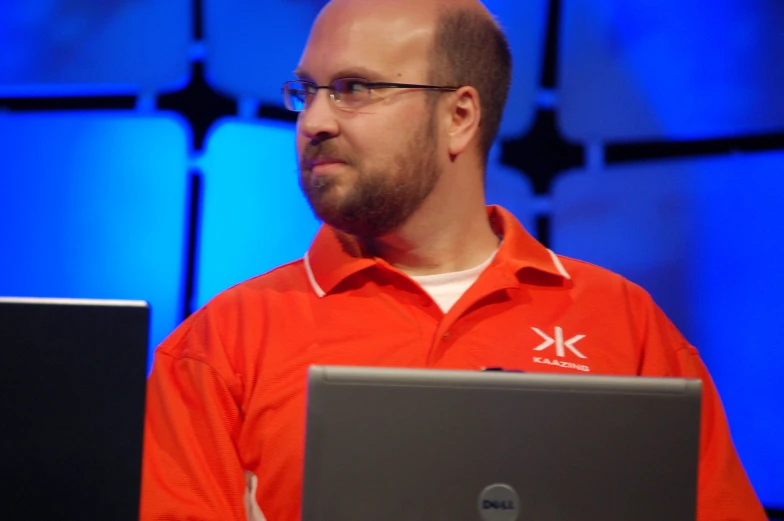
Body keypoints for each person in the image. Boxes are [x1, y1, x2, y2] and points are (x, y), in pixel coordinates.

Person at [140, 0, 767, 519]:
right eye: (306, 91)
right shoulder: (220, 345)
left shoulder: (627, 328)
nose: (314, 120)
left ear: (460, 116)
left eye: (353, 89)